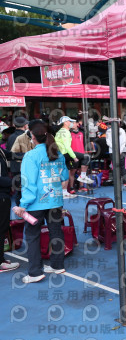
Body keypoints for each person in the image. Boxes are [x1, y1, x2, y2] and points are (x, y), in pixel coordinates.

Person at [14, 121, 69, 283]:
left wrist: (23, 205)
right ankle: (57, 265)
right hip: (55, 200)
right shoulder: (58, 153)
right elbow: (64, 177)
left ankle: (35, 272)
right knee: (56, 232)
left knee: (33, 236)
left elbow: (28, 184)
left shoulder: (31, 156)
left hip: (36, 203)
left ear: (32, 136)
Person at [55, 116, 92, 197]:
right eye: (70, 121)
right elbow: (67, 146)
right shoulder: (65, 132)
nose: (71, 123)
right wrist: (74, 157)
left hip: (61, 154)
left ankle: (64, 192)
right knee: (87, 157)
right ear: (65, 123)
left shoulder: (60, 131)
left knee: (66, 173)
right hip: (65, 153)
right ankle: (82, 176)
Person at [0, 135, 17, 272]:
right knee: (2, 227)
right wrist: (15, 182)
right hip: (1, 196)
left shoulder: (1, 151)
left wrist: (31, 153)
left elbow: (11, 155)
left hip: (4, 194)